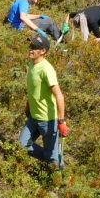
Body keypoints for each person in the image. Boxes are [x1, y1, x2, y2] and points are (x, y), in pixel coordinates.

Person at [18, 33, 68, 166]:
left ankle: (60, 177)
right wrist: (29, 104)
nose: (31, 49)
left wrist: (61, 121)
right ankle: (48, 159)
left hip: (48, 120)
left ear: (43, 51)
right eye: (31, 46)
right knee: (22, 145)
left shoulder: (46, 69)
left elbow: (59, 95)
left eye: (35, 47)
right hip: (34, 117)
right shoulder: (32, 64)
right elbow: (35, 88)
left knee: (53, 159)